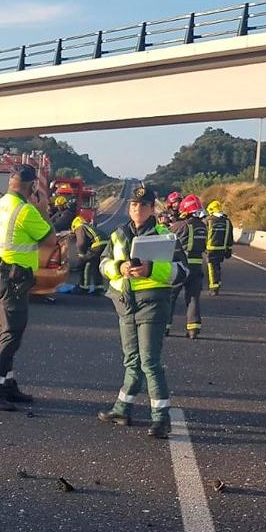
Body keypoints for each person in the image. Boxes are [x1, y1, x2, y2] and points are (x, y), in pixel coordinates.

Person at [96, 184, 187, 438]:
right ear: (129, 207)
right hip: (126, 304)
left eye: (143, 205)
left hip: (153, 304)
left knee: (150, 362)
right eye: (134, 205)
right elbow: (103, 265)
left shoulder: (164, 236)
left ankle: (161, 419)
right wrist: (119, 267)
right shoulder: (118, 234)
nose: (137, 208)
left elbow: (182, 271)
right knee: (132, 360)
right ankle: (122, 409)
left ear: (151, 208)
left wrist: (151, 270)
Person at [0, 164, 55, 412]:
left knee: (6, 333)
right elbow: (50, 240)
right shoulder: (26, 211)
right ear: (32, 186)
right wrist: (43, 211)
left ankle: (6, 384)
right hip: (11, 279)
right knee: (12, 334)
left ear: (11, 181)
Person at [167, 195, 207, 339]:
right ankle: (193, 329)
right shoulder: (203, 226)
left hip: (181, 266)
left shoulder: (180, 225)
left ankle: (166, 326)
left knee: (170, 296)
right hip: (197, 267)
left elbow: (166, 239)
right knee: (193, 297)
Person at [205, 200, 234, 296]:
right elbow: (230, 236)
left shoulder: (208, 220)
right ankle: (218, 283)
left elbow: (205, 234)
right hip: (222, 249)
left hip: (210, 249)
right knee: (217, 267)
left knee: (212, 268)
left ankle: (214, 287)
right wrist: (229, 249)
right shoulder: (227, 221)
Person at [72, 215, 108, 294]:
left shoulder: (80, 227)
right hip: (105, 244)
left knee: (85, 264)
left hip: (98, 245)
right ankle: (99, 288)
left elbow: (81, 243)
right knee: (96, 266)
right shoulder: (87, 227)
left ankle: (84, 287)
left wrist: (81, 255)